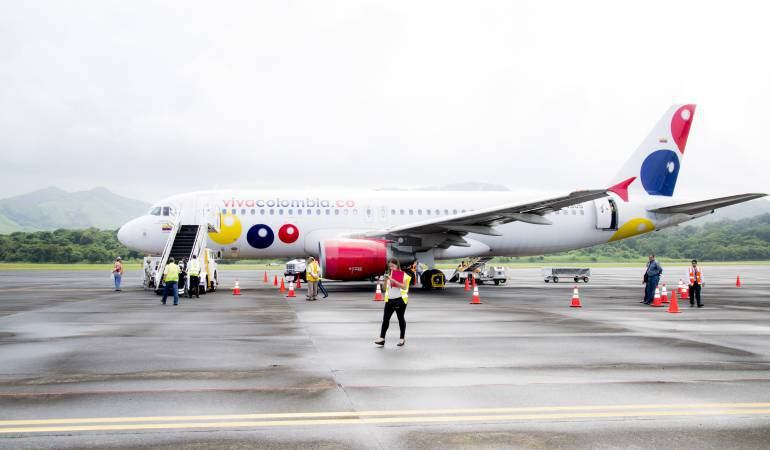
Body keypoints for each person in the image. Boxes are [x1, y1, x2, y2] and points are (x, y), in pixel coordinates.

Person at [375, 258, 412, 347]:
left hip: (400, 300)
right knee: (385, 319)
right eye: (389, 266)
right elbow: (384, 289)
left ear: (397, 265)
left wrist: (394, 280)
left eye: (392, 266)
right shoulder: (389, 274)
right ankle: (382, 338)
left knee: (400, 319)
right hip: (389, 300)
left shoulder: (402, 274)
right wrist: (385, 280)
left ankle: (402, 339)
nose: (391, 268)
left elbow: (404, 287)